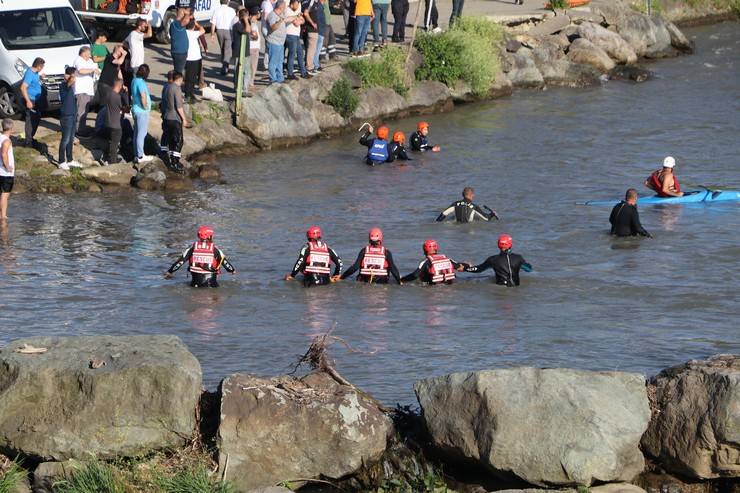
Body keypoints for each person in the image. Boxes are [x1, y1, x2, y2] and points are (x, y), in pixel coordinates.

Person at [165, 226, 236, 288]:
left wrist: (169, 272)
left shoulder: (192, 248)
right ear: (210, 236)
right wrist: (232, 271)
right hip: (211, 285)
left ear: (199, 236)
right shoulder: (215, 250)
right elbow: (226, 263)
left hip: (195, 284)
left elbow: (180, 262)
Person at [464, 234, 532, 287]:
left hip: (500, 290)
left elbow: (478, 269)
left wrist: (466, 268)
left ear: (498, 245)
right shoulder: (518, 258)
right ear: (510, 245)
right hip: (515, 289)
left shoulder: (493, 259)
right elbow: (529, 269)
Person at [401, 239, 466, 284]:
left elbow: (414, 276)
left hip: (433, 287)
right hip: (450, 286)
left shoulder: (426, 262)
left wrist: (401, 279)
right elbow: (459, 266)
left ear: (424, 250)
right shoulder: (447, 259)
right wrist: (466, 265)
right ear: (436, 248)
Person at [163, 72, 188, 173]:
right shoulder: (177, 89)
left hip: (167, 117)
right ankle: (175, 162)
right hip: (174, 118)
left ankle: (170, 158)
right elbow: (179, 106)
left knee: (171, 139)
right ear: (180, 79)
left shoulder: (167, 87)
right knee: (179, 141)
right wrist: (184, 119)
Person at [72, 46, 99, 135]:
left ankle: (82, 128)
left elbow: (96, 69)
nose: (90, 55)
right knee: (81, 111)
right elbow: (81, 71)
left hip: (89, 90)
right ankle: (78, 130)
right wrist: (92, 70)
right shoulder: (78, 60)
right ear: (83, 53)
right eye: (88, 53)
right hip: (81, 90)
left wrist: (96, 70)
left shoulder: (90, 61)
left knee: (85, 111)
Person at [19, 57, 45, 148]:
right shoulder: (30, 73)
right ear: (38, 66)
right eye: (42, 67)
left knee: (36, 118)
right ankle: (28, 142)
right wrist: (28, 101)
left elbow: (34, 82)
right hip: (31, 99)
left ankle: (30, 138)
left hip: (36, 99)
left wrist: (40, 78)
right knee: (30, 120)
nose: (42, 68)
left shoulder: (35, 72)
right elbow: (23, 88)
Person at [58, 67, 79, 171]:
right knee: (65, 139)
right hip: (66, 117)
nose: (75, 78)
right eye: (73, 75)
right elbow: (69, 82)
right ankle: (61, 161)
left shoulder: (70, 86)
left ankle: (70, 160)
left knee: (70, 139)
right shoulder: (63, 85)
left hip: (72, 115)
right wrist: (71, 77)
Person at [131, 64, 153, 164]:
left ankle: (137, 154)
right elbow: (143, 96)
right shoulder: (141, 83)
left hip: (135, 109)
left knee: (136, 133)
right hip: (141, 111)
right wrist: (145, 106)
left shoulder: (134, 80)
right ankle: (140, 155)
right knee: (141, 133)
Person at [103, 79, 128, 165]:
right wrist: (125, 94)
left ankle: (107, 157)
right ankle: (113, 161)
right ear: (120, 86)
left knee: (110, 141)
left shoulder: (108, 94)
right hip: (116, 124)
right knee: (114, 143)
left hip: (108, 122)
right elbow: (126, 108)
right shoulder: (118, 98)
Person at [266, 0, 290, 84]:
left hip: (280, 43)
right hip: (274, 42)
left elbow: (287, 19)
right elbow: (273, 27)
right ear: (281, 7)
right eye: (284, 6)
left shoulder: (280, 15)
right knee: (273, 62)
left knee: (280, 62)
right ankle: (273, 79)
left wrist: (296, 16)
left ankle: (280, 78)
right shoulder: (272, 15)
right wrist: (280, 21)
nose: (285, 8)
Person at [211, 0, 237, 75]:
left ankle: (224, 64)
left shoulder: (216, 10)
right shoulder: (231, 10)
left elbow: (213, 23)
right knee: (227, 50)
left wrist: (212, 34)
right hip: (228, 31)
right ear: (228, 2)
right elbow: (234, 22)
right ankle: (225, 67)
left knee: (222, 48)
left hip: (219, 31)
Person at [285, 0, 308, 79]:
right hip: (290, 35)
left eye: (298, 5)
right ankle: (290, 73)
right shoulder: (287, 10)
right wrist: (298, 18)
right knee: (292, 54)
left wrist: (299, 19)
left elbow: (303, 20)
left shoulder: (296, 11)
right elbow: (296, 23)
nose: (297, 7)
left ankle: (303, 72)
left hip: (296, 35)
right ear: (291, 4)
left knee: (300, 53)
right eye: (296, 5)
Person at [185, 19, 206, 102]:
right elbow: (203, 30)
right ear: (193, 26)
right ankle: (188, 95)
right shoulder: (193, 33)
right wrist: (197, 24)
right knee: (191, 78)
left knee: (191, 77)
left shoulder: (185, 32)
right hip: (193, 58)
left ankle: (190, 94)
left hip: (193, 57)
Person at [305, 0, 327, 74]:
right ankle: (313, 66)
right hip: (316, 30)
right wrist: (313, 23)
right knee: (314, 50)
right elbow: (306, 13)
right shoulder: (312, 3)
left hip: (320, 30)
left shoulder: (318, 4)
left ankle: (315, 65)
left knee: (316, 49)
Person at [0, 119, 14, 220]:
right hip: (5, 173)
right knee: (5, 195)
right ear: (11, 129)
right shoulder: (7, 140)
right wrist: (7, 166)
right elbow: (4, 153)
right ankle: (3, 216)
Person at [170, 8, 191, 73]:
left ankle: (175, 80)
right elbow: (186, 21)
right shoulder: (177, 24)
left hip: (179, 52)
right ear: (181, 15)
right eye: (184, 15)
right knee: (178, 72)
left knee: (178, 70)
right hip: (179, 53)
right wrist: (187, 13)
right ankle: (176, 82)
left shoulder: (174, 24)